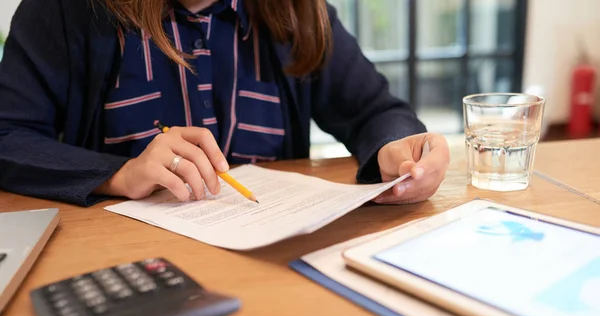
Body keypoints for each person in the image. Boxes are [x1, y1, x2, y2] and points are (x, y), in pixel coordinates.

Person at [0, 0, 450, 207]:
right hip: (127, 266)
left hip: (271, 260)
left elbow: (374, 110)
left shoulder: (297, 10)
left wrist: (397, 148)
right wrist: (118, 173)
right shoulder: (62, 10)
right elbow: (7, 136)